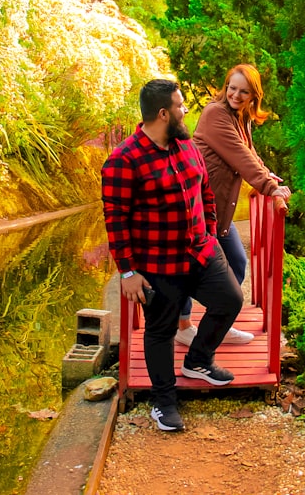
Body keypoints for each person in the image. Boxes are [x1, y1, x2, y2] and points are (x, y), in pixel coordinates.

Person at [102, 78, 244, 432]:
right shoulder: (123, 160)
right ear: (163, 113)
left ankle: (198, 361)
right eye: (181, 106)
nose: (186, 111)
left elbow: (205, 191)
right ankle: (163, 402)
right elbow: (115, 221)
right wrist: (127, 272)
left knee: (230, 300)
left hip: (200, 253)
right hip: (157, 264)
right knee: (160, 331)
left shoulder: (187, 146)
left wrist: (209, 232)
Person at [175, 64, 291, 347]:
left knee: (237, 262)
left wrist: (267, 173)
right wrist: (269, 186)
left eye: (244, 91)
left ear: (254, 95)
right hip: (197, 209)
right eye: (232, 88)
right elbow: (239, 156)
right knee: (190, 268)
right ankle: (183, 326)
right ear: (225, 86)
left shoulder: (240, 117)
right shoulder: (215, 113)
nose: (236, 94)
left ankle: (219, 321)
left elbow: (249, 153)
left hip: (218, 212)